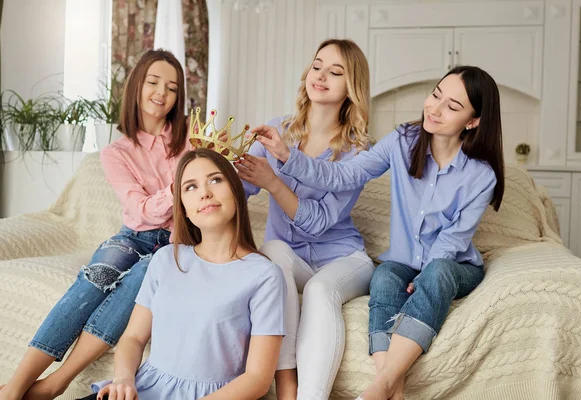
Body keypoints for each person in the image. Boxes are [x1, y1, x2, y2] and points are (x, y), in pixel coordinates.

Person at [247, 65, 505, 400]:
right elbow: (344, 175)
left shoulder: (481, 175)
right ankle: (390, 389)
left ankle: (380, 385)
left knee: (438, 272)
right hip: (401, 263)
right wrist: (286, 156)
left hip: (453, 265)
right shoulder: (402, 141)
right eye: (436, 95)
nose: (435, 108)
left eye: (452, 107)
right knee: (383, 278)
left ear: (472, 122)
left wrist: (424, 279)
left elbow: (453, 240)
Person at [0, 49, 188, 400]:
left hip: (177, 242)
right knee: (97, 276)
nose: (162, 92)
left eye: (173, 87)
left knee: (141, 279)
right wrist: (178, 188)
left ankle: (58, 382)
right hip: (133, 236)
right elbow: (140, 209)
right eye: (153, 82)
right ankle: (15, 386)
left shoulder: (191, 140)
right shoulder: (116, 152)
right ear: (136, 86)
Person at [78, 148, 286, 400]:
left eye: (216, 180)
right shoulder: (166, 259)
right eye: (190, 187)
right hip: (142, 390)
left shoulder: (264, 275)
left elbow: (258, 379)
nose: (205, 193)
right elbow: (133, 337)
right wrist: (123, 380)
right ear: (184, 209)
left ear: (236, 190)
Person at [234, 39, 375, 400]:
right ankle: (286, 387)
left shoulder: (357, 152)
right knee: (273, 253)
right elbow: (241, 191)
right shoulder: (276, 129)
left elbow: (317, 222)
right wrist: (220, 162)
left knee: (319, 290)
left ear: (351, 87)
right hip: (291, 256)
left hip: (343, 258)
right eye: (317, 66)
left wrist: (273, 182)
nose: (322, 75)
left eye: (336, 71)